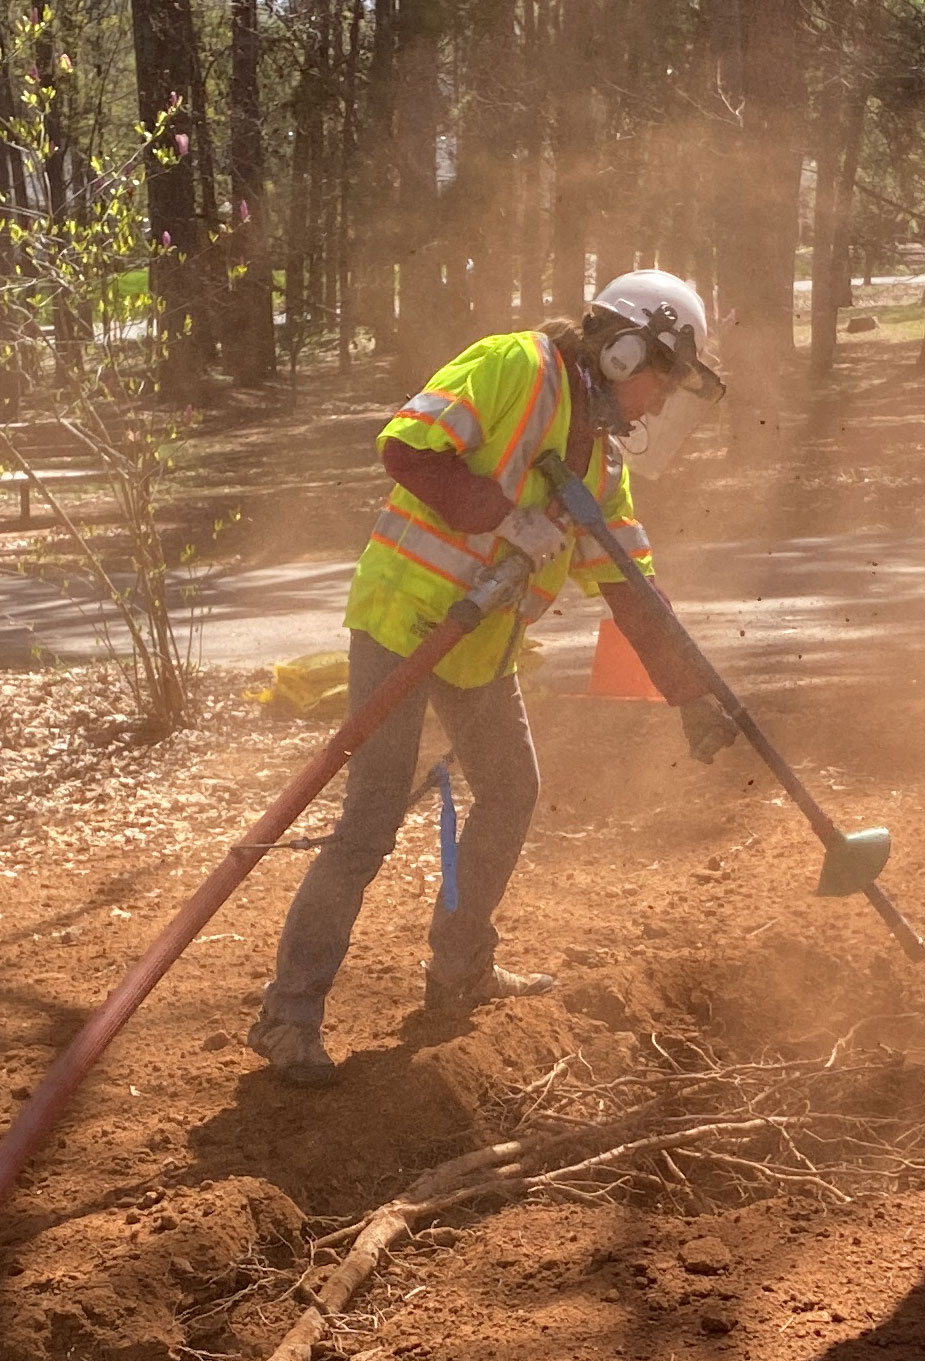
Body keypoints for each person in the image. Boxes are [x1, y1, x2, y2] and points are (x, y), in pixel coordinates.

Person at [247, 272, 738, 1085]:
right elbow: (405, 447)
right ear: (623, 352)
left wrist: (690, 695)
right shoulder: (515, 366)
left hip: (478, 647)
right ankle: (288, 1014)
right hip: (405, 622)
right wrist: (505, 517)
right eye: (660, 381)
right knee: (371, 820)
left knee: (511, 790)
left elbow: (631, 588)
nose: (657, 404)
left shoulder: (600, 461)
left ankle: (460, 970)